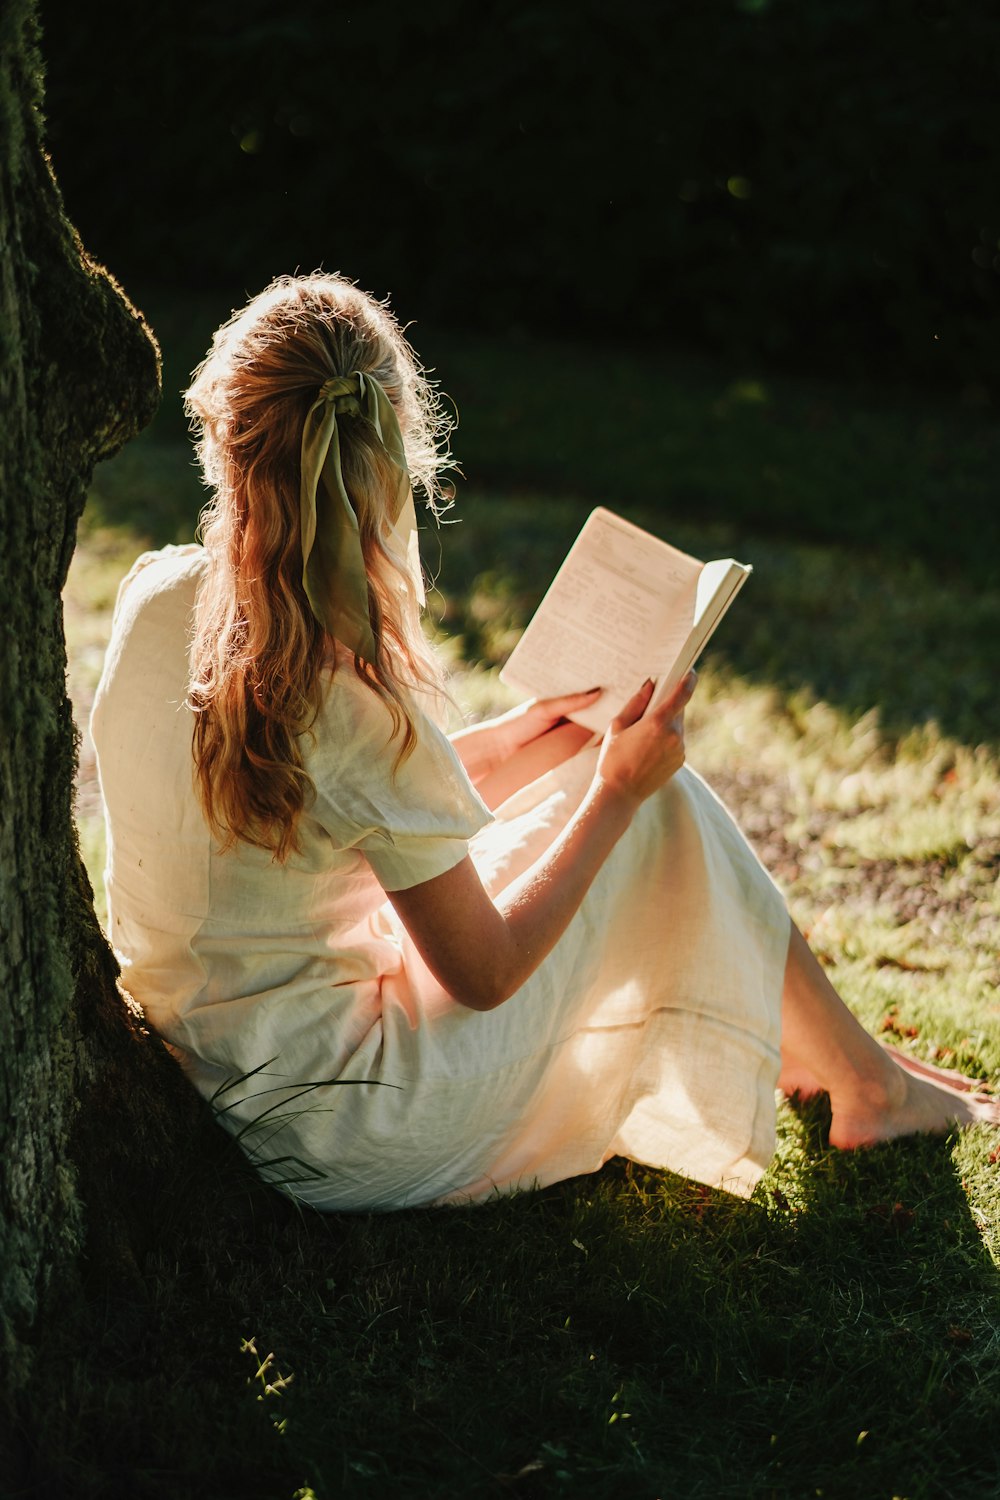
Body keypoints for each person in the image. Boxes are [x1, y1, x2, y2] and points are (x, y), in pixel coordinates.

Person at [90, 273, 998, 1212]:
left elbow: (372, 801)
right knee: (653, 810)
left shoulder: (158, 597)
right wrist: (614, 793)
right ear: (391, 464)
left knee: (602, 777)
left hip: (201, 1063)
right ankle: (866, 1084)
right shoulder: (347, 695)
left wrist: (541, 734)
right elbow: (483, 974)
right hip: (332, 1124)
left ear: (221, 434)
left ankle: (847, 1065)